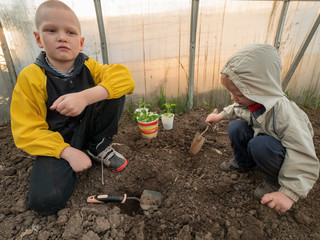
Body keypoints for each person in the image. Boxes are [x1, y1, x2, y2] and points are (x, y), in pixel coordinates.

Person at [10, 0, 135, 215]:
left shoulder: (88, 66)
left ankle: (97, 147)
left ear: (81, 42)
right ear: (38, 39)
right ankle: (75, 157)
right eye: (51, 30)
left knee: (113, 88)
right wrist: (66, 152)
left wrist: (85, 97)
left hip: (89, 129)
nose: (62, 37)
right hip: (57, 142)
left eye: (70, 32)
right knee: (45, 201)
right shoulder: (30, 78)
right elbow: (27, 130)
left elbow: (124, 78)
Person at [205, 43, 319, 213]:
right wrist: (220, 116)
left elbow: (302, 152)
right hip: (264, 141)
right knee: (236, 126)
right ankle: (244, 162)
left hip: (282, 153)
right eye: (231, 93)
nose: (233, 98)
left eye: (239, 94)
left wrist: (289, 193)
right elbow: (237, 109)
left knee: (259, 145)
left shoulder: (285, 114)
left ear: (259, 90)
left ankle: (275, 181)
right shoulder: (251, 101)